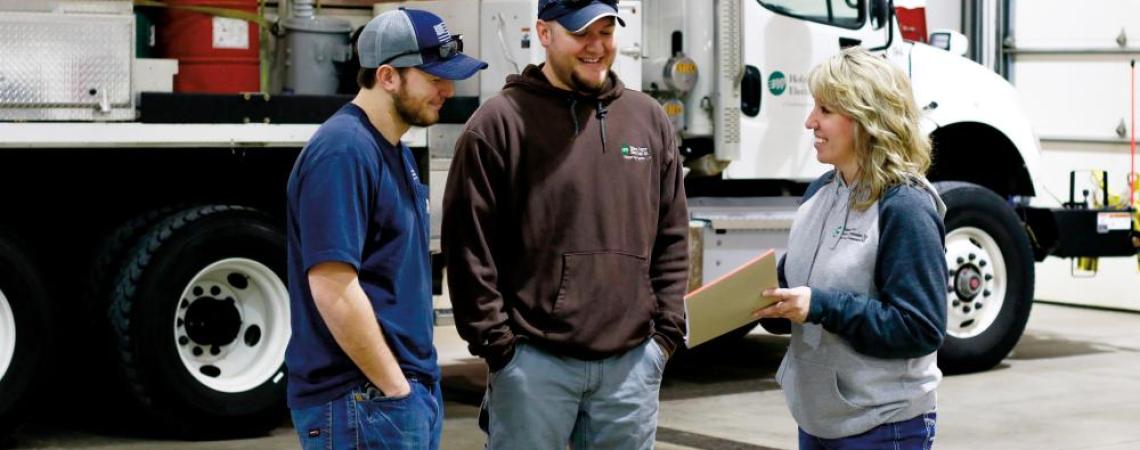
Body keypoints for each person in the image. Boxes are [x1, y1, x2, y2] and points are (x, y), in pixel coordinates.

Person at [441, 0, 689, 448]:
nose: (596, 46)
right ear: (543, 32)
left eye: (606, 32)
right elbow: (468, 250)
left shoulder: (648, 119)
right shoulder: (499, 124)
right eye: (581, 33)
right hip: (534, 367)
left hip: (631, 368)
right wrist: (500, 348)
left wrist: (665, 335)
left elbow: (672, 235)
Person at [284, 8, 486, 450]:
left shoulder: (393, 149)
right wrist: (396, 389)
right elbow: (332, 286)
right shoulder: (344, 152)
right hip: (363, 400)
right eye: (434, 78)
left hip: (393, 398)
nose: (447, 90)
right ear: (389, 76)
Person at [752, 47, 948, 450]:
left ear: (866, 119)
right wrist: (766, 303)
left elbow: (920, 327)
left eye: (825, 109)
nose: (810, 122)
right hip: (818, 419)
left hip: (883, 425)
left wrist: (822, 306)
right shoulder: (818, 194)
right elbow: (799, 284)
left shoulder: (905, 206)